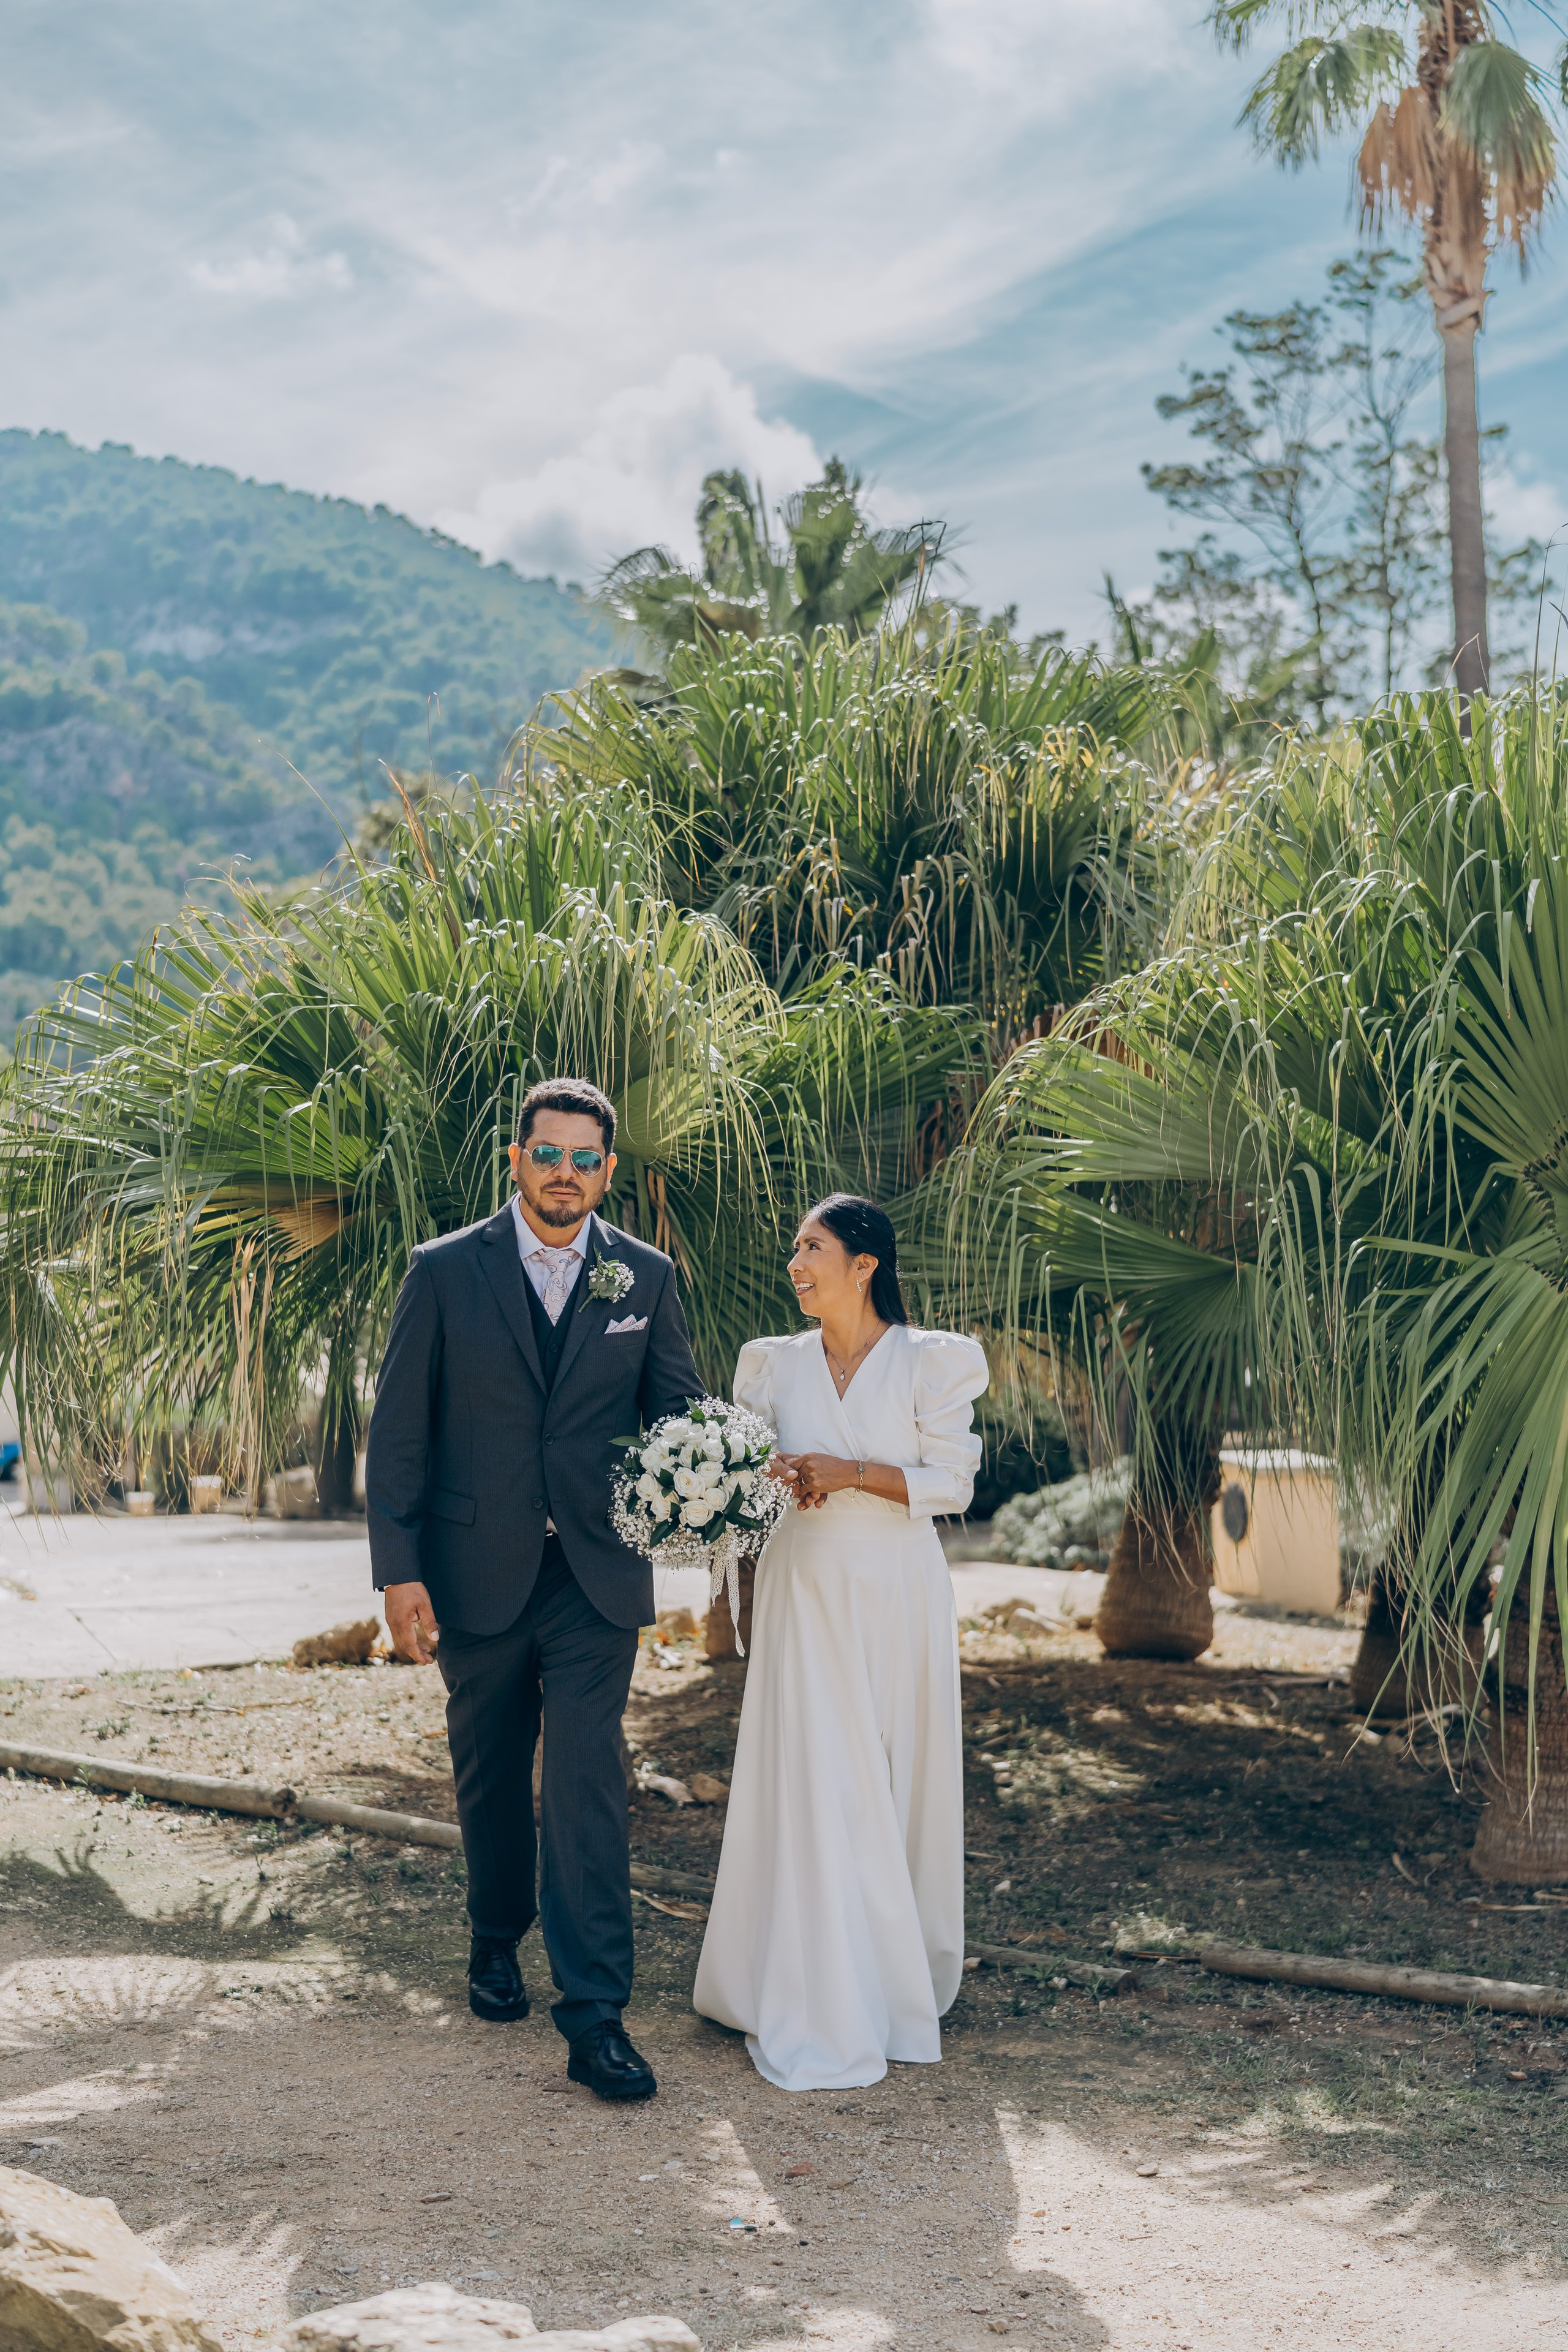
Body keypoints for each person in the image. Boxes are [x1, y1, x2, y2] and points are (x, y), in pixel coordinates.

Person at [364, 1076, 699, 2101]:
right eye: (547, 1155)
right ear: (516, 1161)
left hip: (597, 1573)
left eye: (585, 1159)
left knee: (589, 1780)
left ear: (608, 1171)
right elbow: (401, 1434)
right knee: (493, 1768)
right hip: (476, 1568)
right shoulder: (445, 1271)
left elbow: (676, 1410)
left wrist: (715, 1483)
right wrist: (400, 1571)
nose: (565, 1175)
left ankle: (597, 2014)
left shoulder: (643, 1277)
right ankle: (493, 1932)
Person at [693, 1194, 988, 2092]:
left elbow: (955, 1484)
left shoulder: (934, 1361)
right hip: (804, 1584)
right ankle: (796, 1974)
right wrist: (776, 1480)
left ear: (864, 1264)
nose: (796, 1261)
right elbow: (749, 1477)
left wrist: (852, 1472)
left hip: (898, 1586)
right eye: (795, 1247)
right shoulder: (769, 1365)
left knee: (889, 1770)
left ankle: (891, 1978)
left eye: (812, 1247)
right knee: (814, 1770)